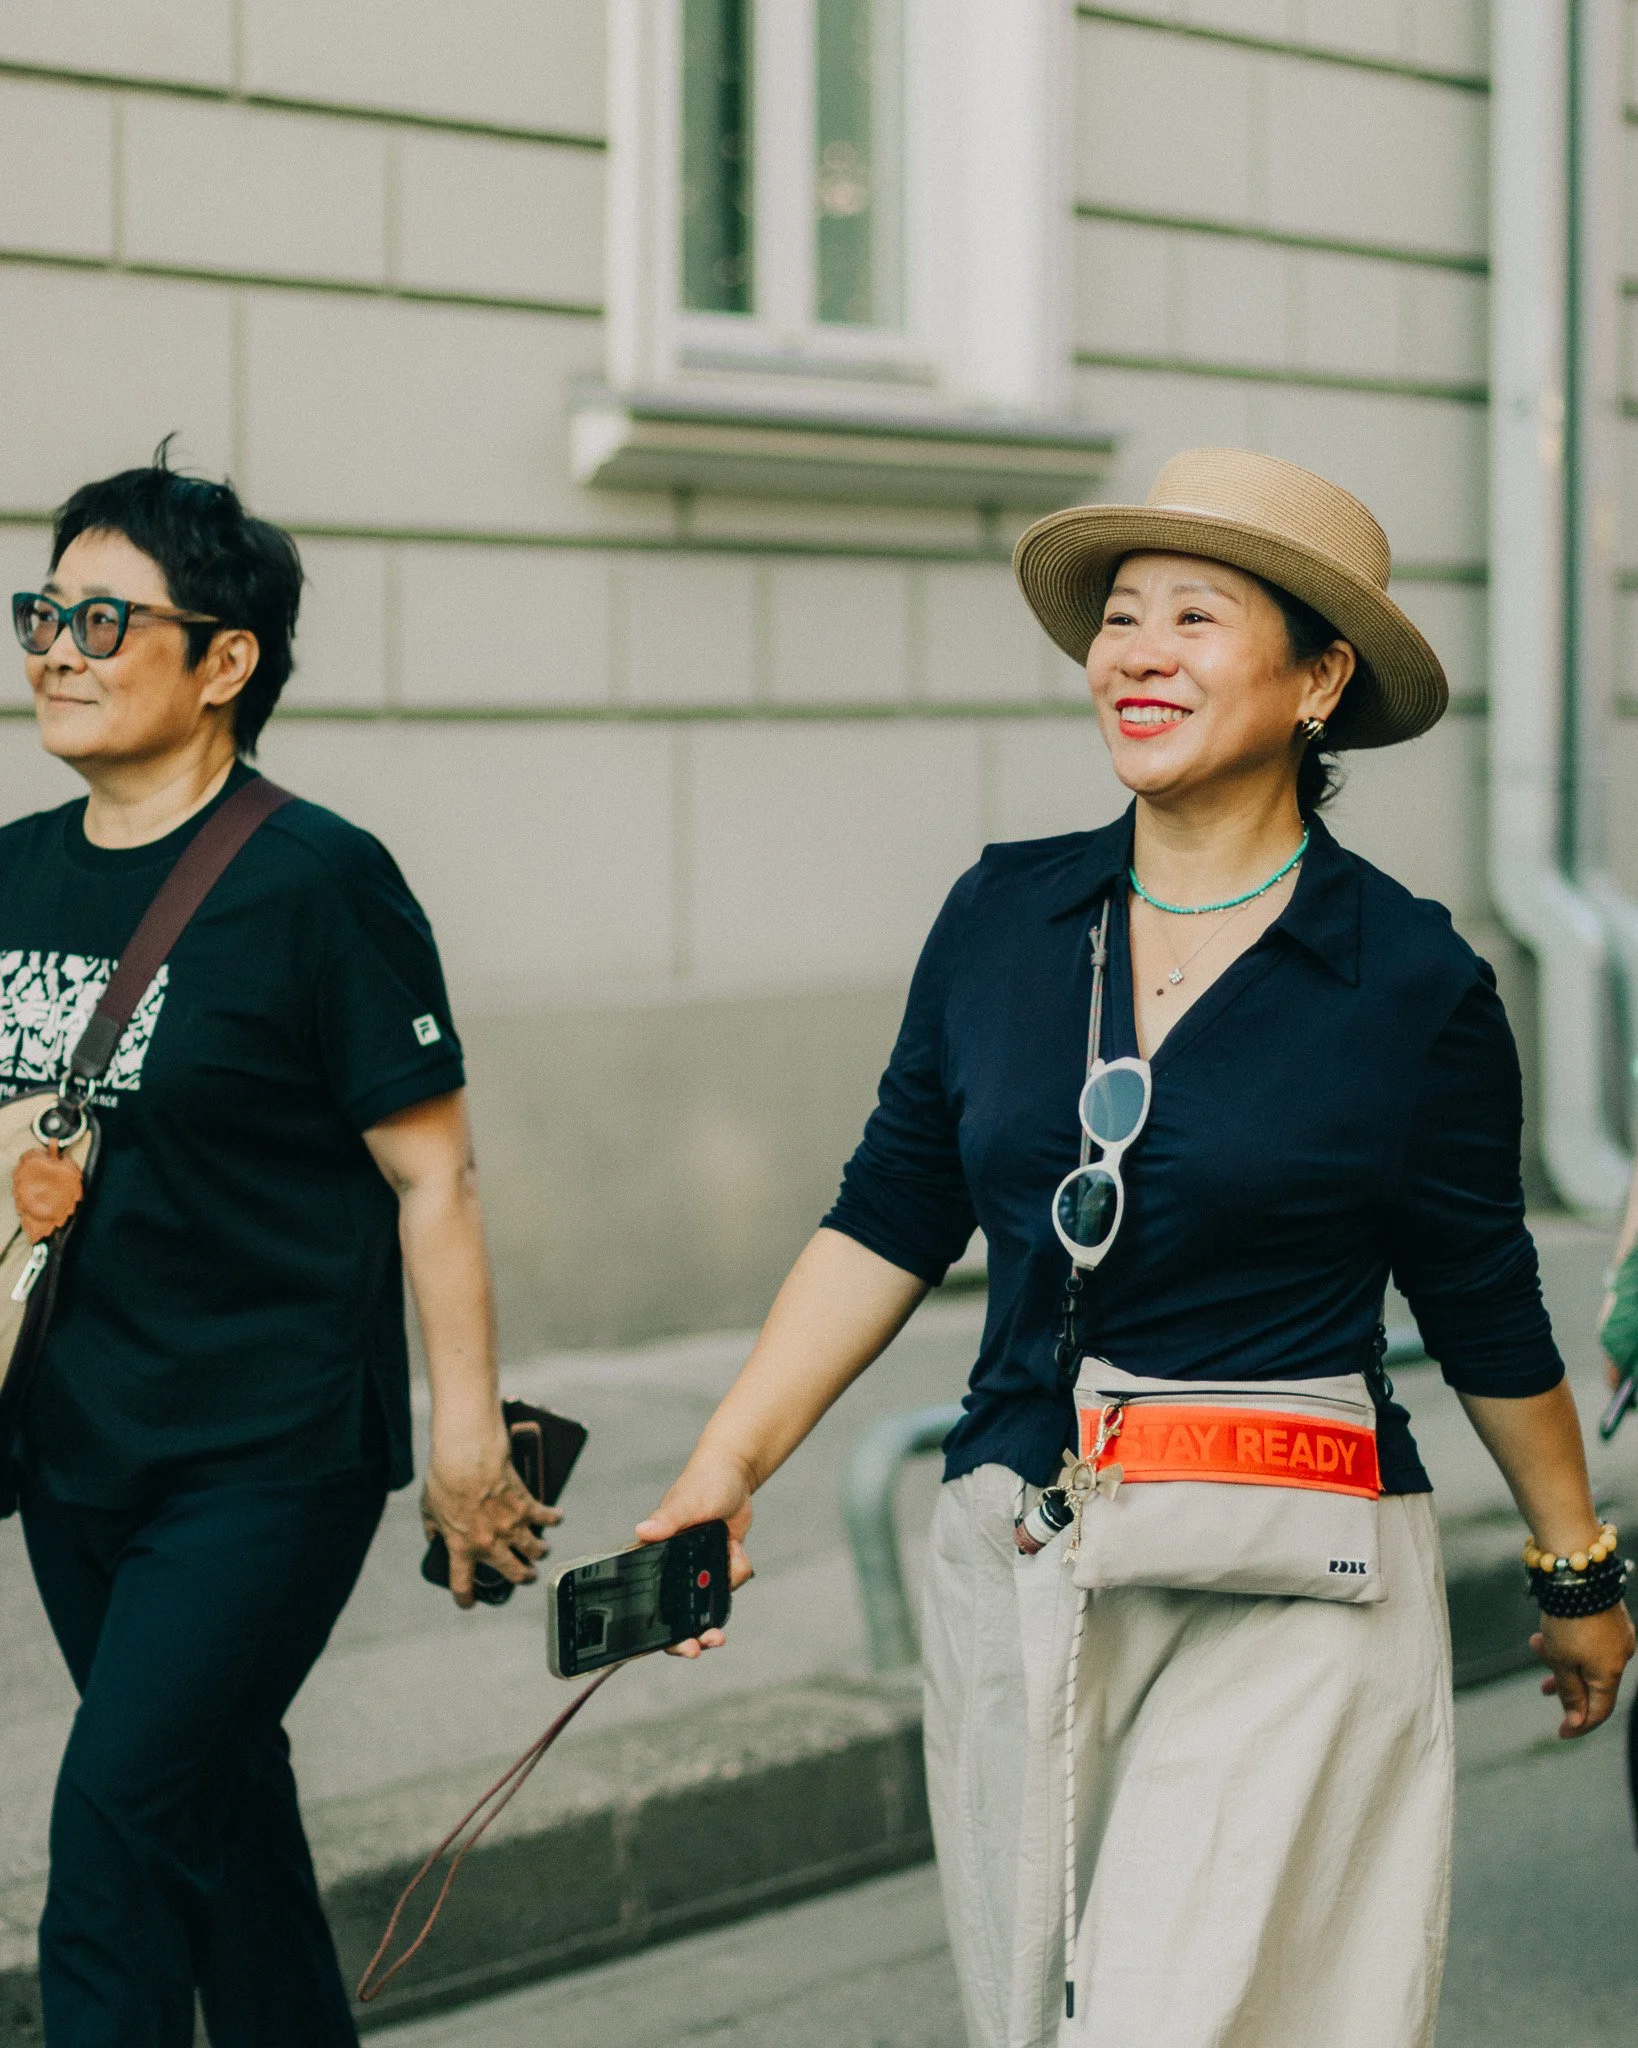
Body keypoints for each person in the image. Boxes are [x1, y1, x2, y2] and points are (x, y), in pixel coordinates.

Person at [639, 448, 1636, 2047]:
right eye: (1119, 617)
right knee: (1034, 2010)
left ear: (1317, 680)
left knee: (1174, 2021)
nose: (1137, 652)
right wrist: (726, 1460)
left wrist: (1571, 1562)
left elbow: (1479, 1296)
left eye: (1195, 615)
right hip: (1027, 1537)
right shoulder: (1000, 917)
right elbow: (889, 1212)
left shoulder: (1407, 981)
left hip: (1290, 1566)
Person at [3, 450, 551, 2047]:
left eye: (107, 619)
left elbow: (433, 1180)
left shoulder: (319, 881)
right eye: (44, 611)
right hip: (74, 1444)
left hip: (262, 1457)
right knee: (219, 1812)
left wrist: (466, 1445)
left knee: (111, 1828)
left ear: (225, 661)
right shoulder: (17, 874)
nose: (59, 647)